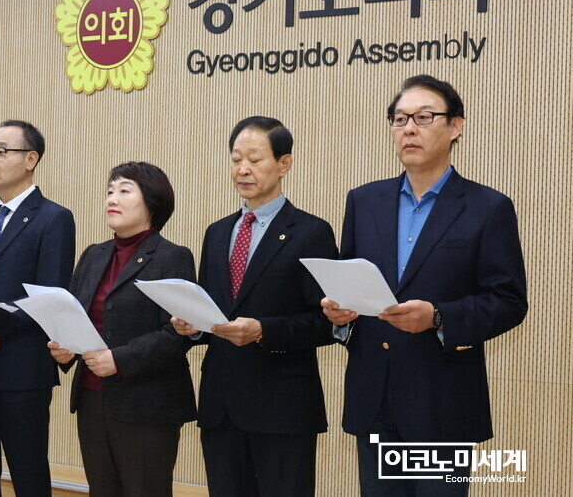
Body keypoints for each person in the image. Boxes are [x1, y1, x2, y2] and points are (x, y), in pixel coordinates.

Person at [322, 75, 528, 496]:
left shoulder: (488, 207)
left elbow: (508, 301)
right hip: (374, 397)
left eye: (423, 117)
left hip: (443, 402)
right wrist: (340, 315)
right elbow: (349, 282)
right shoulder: (363, 201)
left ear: (455, 127)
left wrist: (437, 317)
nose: (409, 129)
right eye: (400, 119)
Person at [172, 117, 338, 496]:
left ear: (284, 164)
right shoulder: (217, 233)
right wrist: (193, 327)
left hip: (283, 406)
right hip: (221, 405)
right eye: (236, 160)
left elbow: (327, 323)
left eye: (255, 159)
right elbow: (214, 311)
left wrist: (264, 330)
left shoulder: (311, 232)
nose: (243, 169)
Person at [48, 161, 196, 497]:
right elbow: (74, 316)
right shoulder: (93, 255)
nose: (112, 199)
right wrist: (65, 347)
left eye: (124, 191)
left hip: (147, 404)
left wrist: (120, 359)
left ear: (152, 202)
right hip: (92, 399)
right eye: (110, 191)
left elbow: (178, 334)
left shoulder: (172, 257)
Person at [0, 120, 76, 497]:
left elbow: (51, 295)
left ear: (30, 159)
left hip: (23, 368)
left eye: (1, 152)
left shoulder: (54, 218)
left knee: (28, 472)